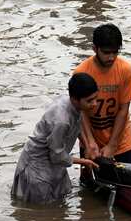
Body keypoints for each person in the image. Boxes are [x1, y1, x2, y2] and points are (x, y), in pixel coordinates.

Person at [11, 73, 101, 203]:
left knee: (60, 202)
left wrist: (87, 145)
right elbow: (57, 155)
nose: (95, 104)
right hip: (38, 166)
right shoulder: (62, 120)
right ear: (75, 99)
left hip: (54, 161)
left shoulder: (74, 104)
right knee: (42, 213)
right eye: (90, 101)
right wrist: (84, 162)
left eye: (95, 99)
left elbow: (77, 123)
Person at [73, 23, 131, 171]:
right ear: (95, 49)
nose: (111, 57)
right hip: (91, 141)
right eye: (107, 52)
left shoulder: (125, 70)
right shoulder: (82, 72)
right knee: (90, 187)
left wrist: (112, 145)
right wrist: (90, 143)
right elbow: (81, 111)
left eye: (115, 52)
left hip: (121, 141)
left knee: (128, 186)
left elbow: (123, 109)